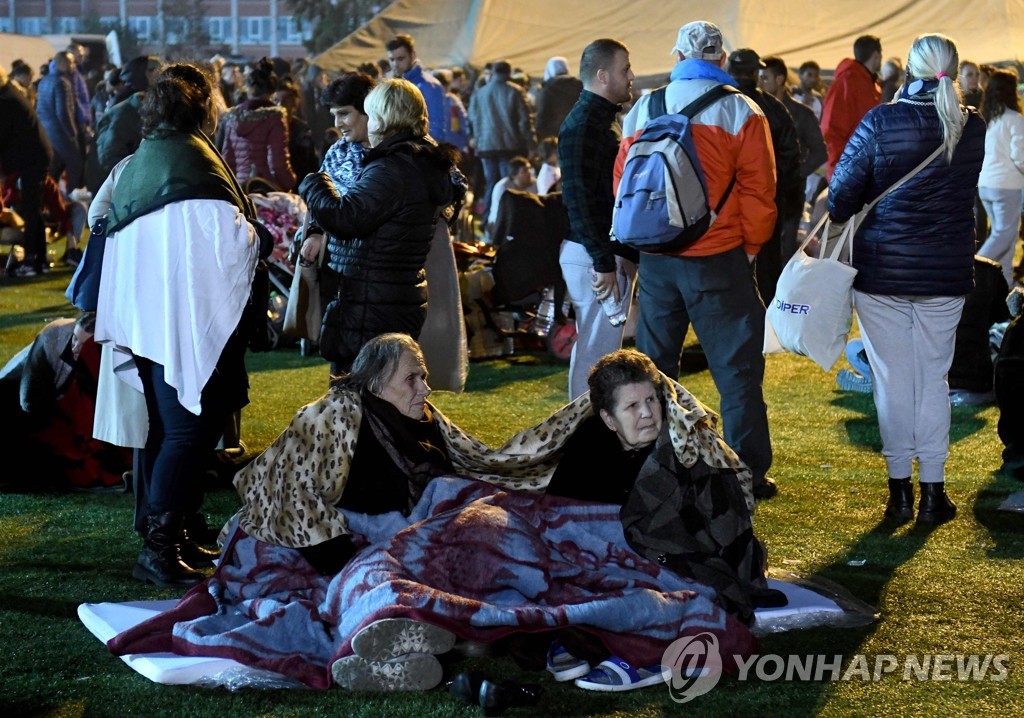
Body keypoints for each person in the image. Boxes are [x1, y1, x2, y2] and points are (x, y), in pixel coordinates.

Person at [108, 336, 759, 692]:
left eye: (422, 378)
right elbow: (286, 485)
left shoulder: (425, 423)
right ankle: (390, 627)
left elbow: (496, 461)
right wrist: (335, 549)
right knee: (400, 563)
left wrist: (642, 402)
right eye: (413, 378)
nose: (425, 388)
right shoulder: (338, 412)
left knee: (497, 536)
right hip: (369, 534)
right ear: (374, 381)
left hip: (435, 520)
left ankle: (439, 633)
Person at [94, 63, 273, 587]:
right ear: (200, 109)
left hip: (151, 317)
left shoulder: (145, 158)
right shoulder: (192, 162)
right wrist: (257, 234)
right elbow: (226, 243)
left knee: (171, 430)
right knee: (187, 430)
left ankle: (174, 533)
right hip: (181, 321)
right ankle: (159, 548)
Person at [544, 349, 775, 689]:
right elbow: (558, 513)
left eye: (651, 400)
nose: (647, 413)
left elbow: (728, 540)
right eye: (632, 407)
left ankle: (644, 653)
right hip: (604, 564)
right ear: (609, 419)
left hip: (683, 567)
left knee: (657, 599)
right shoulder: (590, 441)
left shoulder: (690, 449)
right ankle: (591, 634)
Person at [616, 20, 778, 499]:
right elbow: (759, 191)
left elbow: (624, 181)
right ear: (721, 58)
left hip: (656, 256)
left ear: (676, 55)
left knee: (653, 367)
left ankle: (649, 461)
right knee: (737, 371)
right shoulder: (740, 109)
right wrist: (748, 249)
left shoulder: (644, 105)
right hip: (718, 256)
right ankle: (745, 471)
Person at [828, 33, 985, 525]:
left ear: (909, 70)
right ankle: (934, 494)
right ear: (954, 70)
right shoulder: (971, 126)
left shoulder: (882, 120)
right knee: (934, 381)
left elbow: (840, 198)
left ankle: (900, 494)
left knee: (894, 382)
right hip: (944, 271)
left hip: (883, 272)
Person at [298, 78, 460, 373]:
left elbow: (347, 218)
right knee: (389, 388)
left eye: (368, 114)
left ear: (383, 118)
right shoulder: (422, 159)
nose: (343, 123)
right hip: (393, 293)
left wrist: (314, 183)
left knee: (362, 394)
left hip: (374, 298)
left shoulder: (392, 167)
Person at [558, 39, 638, 401]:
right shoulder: (584, 126)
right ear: (603, 76)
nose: (631, 76)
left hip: (597, 253)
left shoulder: (597, 122)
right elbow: (579, 201)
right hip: (593, 256)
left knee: (600, 354)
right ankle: (581, 437)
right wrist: (604, 262)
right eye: (625, 69)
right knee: (596, 358)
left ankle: (588, 436)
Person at [0, 312, 131, 491]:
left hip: (49, 405)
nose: (76, 348)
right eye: (75, 339)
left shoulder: (99, 354)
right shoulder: (52, 338)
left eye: (84, 344)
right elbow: (29, 400)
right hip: (14, 402)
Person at [726, 48, 802, 302]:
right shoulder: (773, 107)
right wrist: (788, 201)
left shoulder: (717, 104)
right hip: (767, 201)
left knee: (725, 267)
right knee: (766, 266)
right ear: (756, 72)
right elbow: (792, 159)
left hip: (724, 204)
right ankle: (765, 324)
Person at [759, 55, 828, 258]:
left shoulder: (801, 113)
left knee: (785, 247)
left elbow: (820, 151)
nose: (760, 83)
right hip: (763, 190)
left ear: (780, 80)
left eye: (765, 78)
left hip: (790, 193)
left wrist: (796, 174)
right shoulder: (757, 109)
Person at [0, 62, 52, 278]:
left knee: (32, 210)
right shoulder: (9, 95)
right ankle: (36, 258)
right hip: (35, 156)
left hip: (32, 159)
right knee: (32, 208)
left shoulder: (5, 101)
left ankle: (34, 259)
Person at [467, 60, 536, 221]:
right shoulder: (516, 91)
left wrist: (475, 138)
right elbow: (524, 121)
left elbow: (472, 118)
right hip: (510, 146)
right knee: (508, 186)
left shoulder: (479, 92)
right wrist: (531, 145)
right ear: (509, 73)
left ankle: (487, 221)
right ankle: (507, 221)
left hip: (486, 146)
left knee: (491, 183)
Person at [219, 57, 297, 191]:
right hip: (266, 187)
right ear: (272, 91)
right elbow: (278, 162)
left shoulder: (232, 118)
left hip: (240, 188)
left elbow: (227, 159)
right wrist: (289, 183)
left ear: (249, 88)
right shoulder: (275, 117)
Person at [977, 68, 1024, 286]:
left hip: (986, 185)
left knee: (1006, 243)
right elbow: (1020, 156)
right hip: (1007, 186)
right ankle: (970, 272)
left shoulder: (987, 119)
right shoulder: (1014, 119)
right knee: (1004, 236)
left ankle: (1005, 293)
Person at [821, 35, 882, 180]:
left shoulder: (870, 84)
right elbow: (831, 130)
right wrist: (840, 170)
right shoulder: (848, 81)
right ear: (876, 55)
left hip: (863, 169)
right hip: (849, 171)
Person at [386, 34, 449, 145]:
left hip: (420, 154)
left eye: (401, 58)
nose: (395, 64)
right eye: (392, 59)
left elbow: (436, 130)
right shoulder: (394, 84)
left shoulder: (428, 85)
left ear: (413, 55)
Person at [37, 51, 83, 192]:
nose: (74, 65)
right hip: (60, 132)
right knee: (75, 164)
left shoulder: (45, 80)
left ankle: (49, 196)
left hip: (47, 131)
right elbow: (64, 112)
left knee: (54, 168)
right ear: (63, 63)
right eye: (71, 62)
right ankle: (71, 197)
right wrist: (72, 134)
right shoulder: (62, 82)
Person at [534, 56, 583, 142]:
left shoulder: (548, 88)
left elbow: (542, 113)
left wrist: (539, 135)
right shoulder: (579, 85)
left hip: (555, 136)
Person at [486, 154, 536, 233]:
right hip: (501, 227)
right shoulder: (503, 187)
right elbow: (501, 214)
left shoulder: (534, 184)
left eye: (530, 169)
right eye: (524, 171)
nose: (530, 173)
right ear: (514, 174)